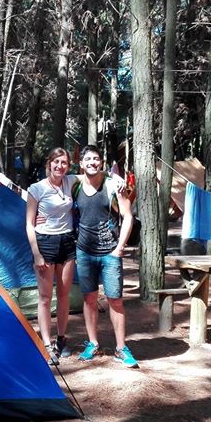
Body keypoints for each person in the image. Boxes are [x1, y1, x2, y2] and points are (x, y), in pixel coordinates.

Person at [74, 145, 138, 368]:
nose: (92, 162)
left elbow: (128, 216)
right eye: (88, 159)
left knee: (115, 299)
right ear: (81, 164)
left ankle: (121, 348)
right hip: (84, 252)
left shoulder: (113, 184)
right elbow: (55, 179)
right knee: (89, 299)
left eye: (96, 159)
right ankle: (93, 344)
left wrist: (120, 247)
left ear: (101, 162)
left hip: (110, 252)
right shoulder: (75, 184)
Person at [26, 148, 78, 364]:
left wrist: (118, 179)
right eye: (56, 162)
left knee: (64, 295)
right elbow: (29, 224)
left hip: (67, 242)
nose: (60, 166)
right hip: (45, 243)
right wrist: (36, 253)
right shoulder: (36, 189)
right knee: (45, 298)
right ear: (49, 163)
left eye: (64, 162)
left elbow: (96, 174)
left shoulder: (71, 181)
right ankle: (46, 344)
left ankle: (61, 339)